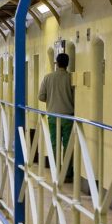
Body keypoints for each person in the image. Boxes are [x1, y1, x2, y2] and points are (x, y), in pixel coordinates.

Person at [38, 53, 76, 182]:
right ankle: (67, 172)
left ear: (56, 63)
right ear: (67, 63)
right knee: (68, 144)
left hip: (53, 116)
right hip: (68, 116)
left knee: (54, 143)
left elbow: (41, 96)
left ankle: (55, 170)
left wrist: (52, 99)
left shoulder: (48, 78)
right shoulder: (71, 78)